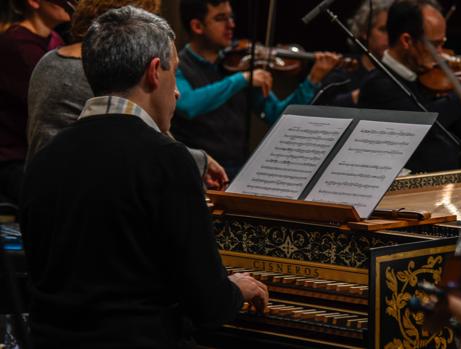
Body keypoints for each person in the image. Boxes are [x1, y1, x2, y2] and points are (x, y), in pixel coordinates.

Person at [20, 6, 268, 349]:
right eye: (174, 73)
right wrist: (236, 289)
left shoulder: (44, 158)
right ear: (154, 72)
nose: (177, 93)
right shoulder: (166, 159)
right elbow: (207, 305)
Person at [26, 0, 228, 190]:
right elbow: (149, 143)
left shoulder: (48, 60)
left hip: (43, 188)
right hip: (84, 191)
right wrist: (199, 161)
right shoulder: (101, 71)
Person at [173, 0, 340, 178]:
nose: (231, 25)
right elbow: (187, 105)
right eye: (221, 18)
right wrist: (242, 79)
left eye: (231, 17)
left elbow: (277, 115)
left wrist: (312, 81)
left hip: (239, 171)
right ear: (197, 26)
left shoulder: (240, 64)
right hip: (196, 173)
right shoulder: (179, 66)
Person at [357, 0, 461, 173]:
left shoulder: (431, 79)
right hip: (412, 194)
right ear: (407, 41)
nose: (441, 53)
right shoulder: (378, 84)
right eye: (435, 44)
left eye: (443, 43)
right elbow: (423, 123)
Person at [0, 0, 70, 205]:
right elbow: (54, 100)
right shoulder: (16, 44)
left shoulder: (53, 39)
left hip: (38, 154)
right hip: (14, 160)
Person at [316, 0, 393, 107]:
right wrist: (365, 93)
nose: (391, 36)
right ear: (364, 31)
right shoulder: (343, 68)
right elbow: (323, 106)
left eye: (395, 30)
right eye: (383, 29)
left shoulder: (410, 71)